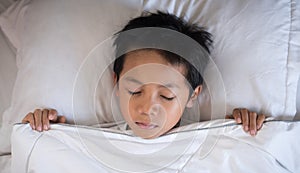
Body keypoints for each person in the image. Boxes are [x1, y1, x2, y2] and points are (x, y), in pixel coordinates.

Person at [22, 11, 265, 138]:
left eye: (167, 96)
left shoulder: (215, 136)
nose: (147, 109)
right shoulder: (91, 138)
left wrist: (244, 130)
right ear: (115, 82)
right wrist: (42, 132)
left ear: (193, 95)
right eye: (135, 91)